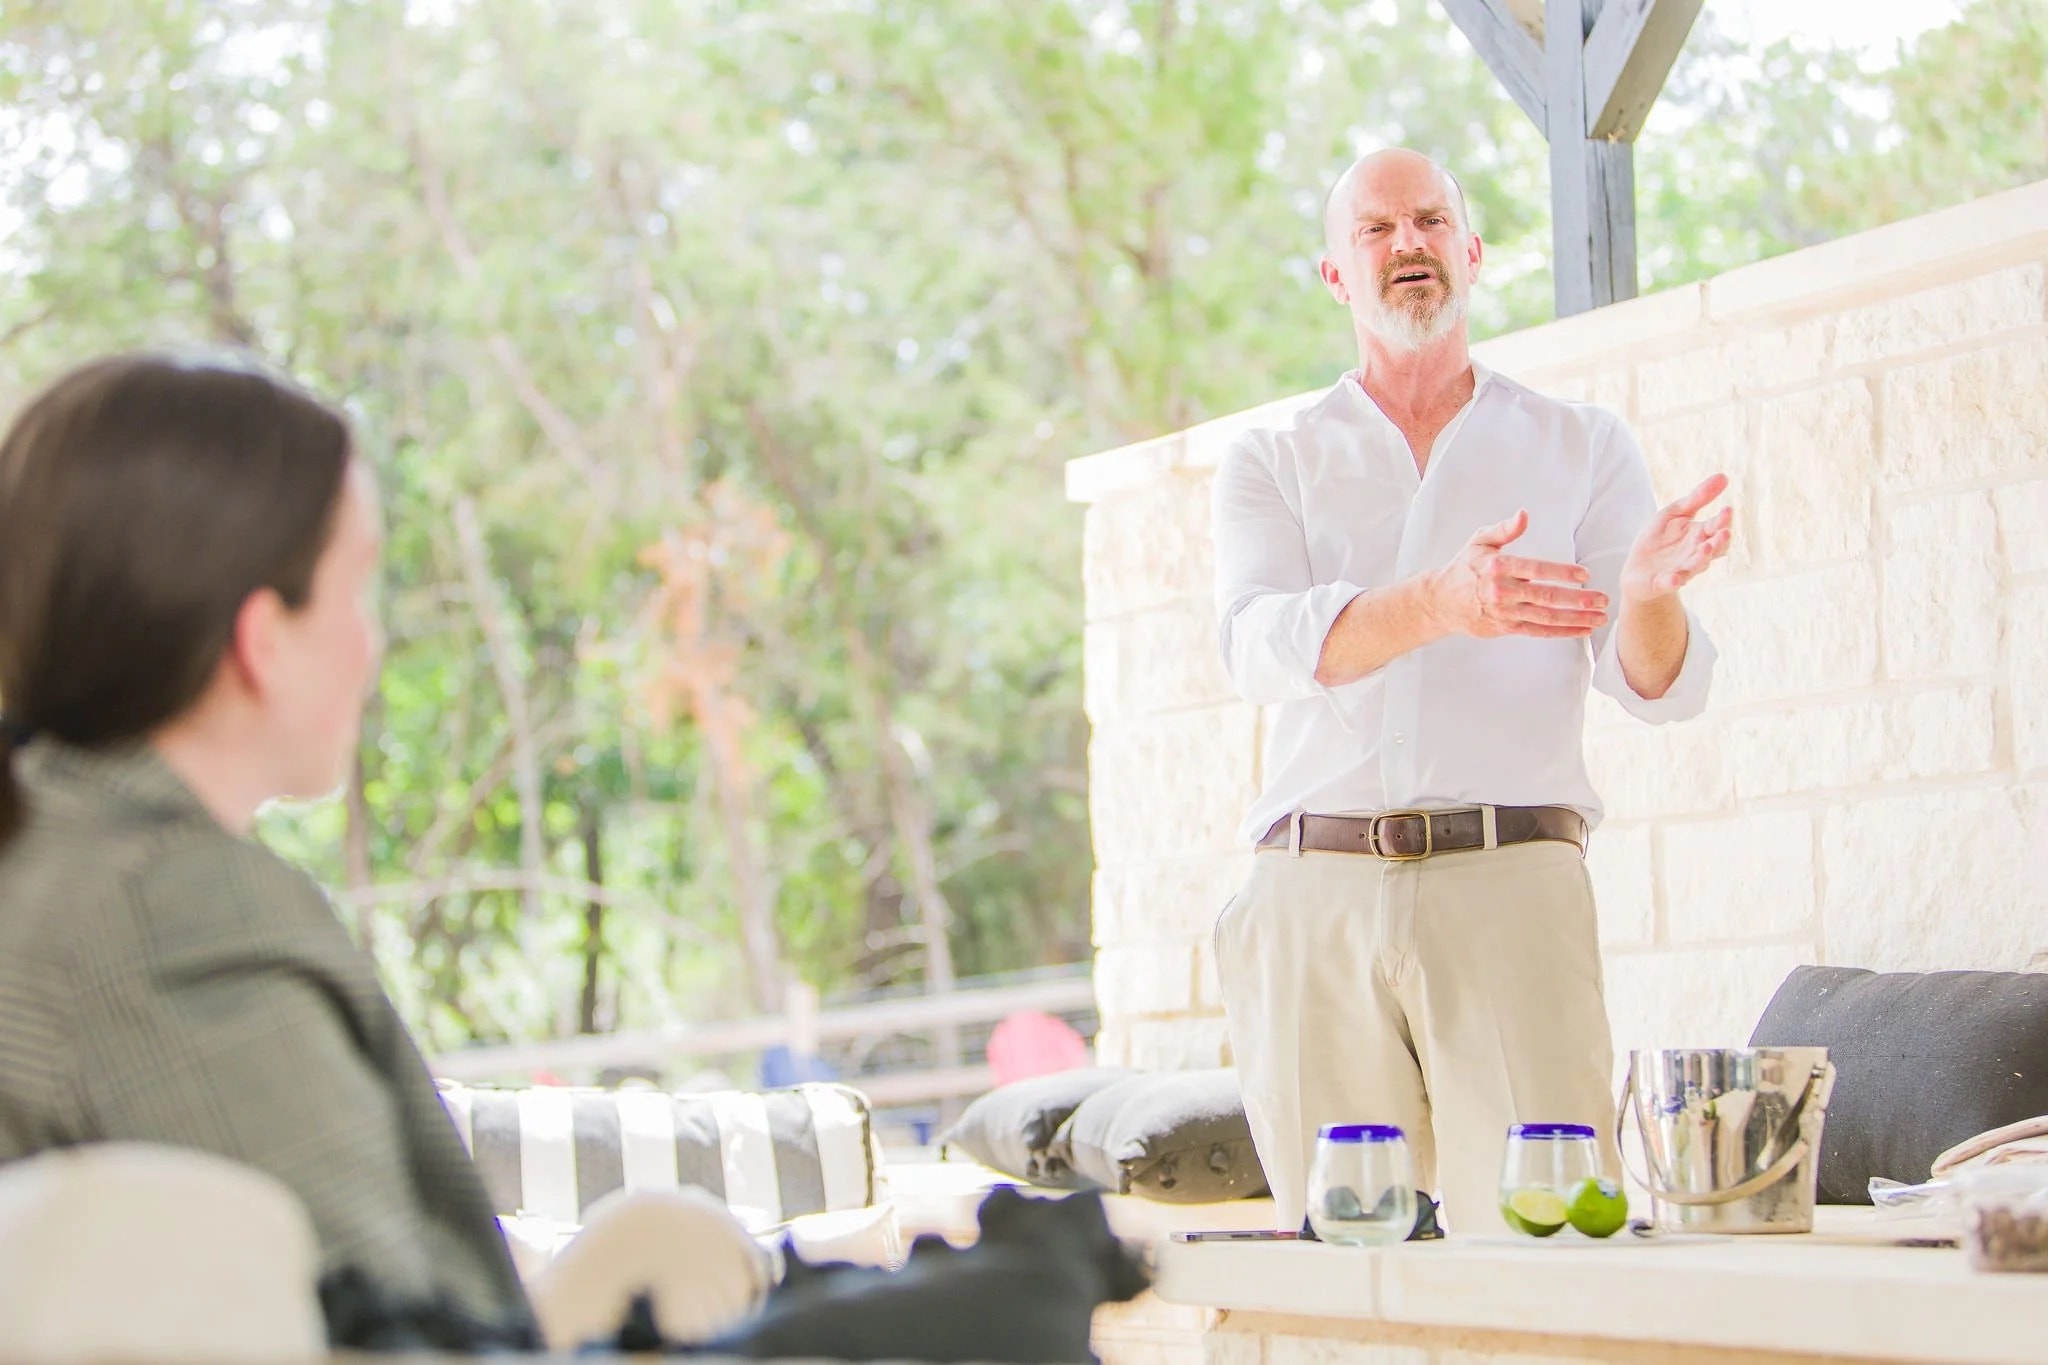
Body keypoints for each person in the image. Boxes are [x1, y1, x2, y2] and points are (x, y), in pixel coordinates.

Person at [1209, 149, 1731, 1234]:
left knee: (1548, 1241)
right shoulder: (1270, 456)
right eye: (1375, 229)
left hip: (1512, 884)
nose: (1407, 244)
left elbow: (1652, 686)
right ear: (1332, 275)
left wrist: (1643, 594)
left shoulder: (1578, 443)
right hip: (1312, 894)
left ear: (1470, 253)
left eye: (1430, 221)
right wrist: (1440, 604)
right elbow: (1255, 650)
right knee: (1346, 1268)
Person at [0, 353, 542, 1336]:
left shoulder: (38, 847)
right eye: (358, 586)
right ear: (264, 636)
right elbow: (386, 1340)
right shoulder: (168, 911)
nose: (372, 643)